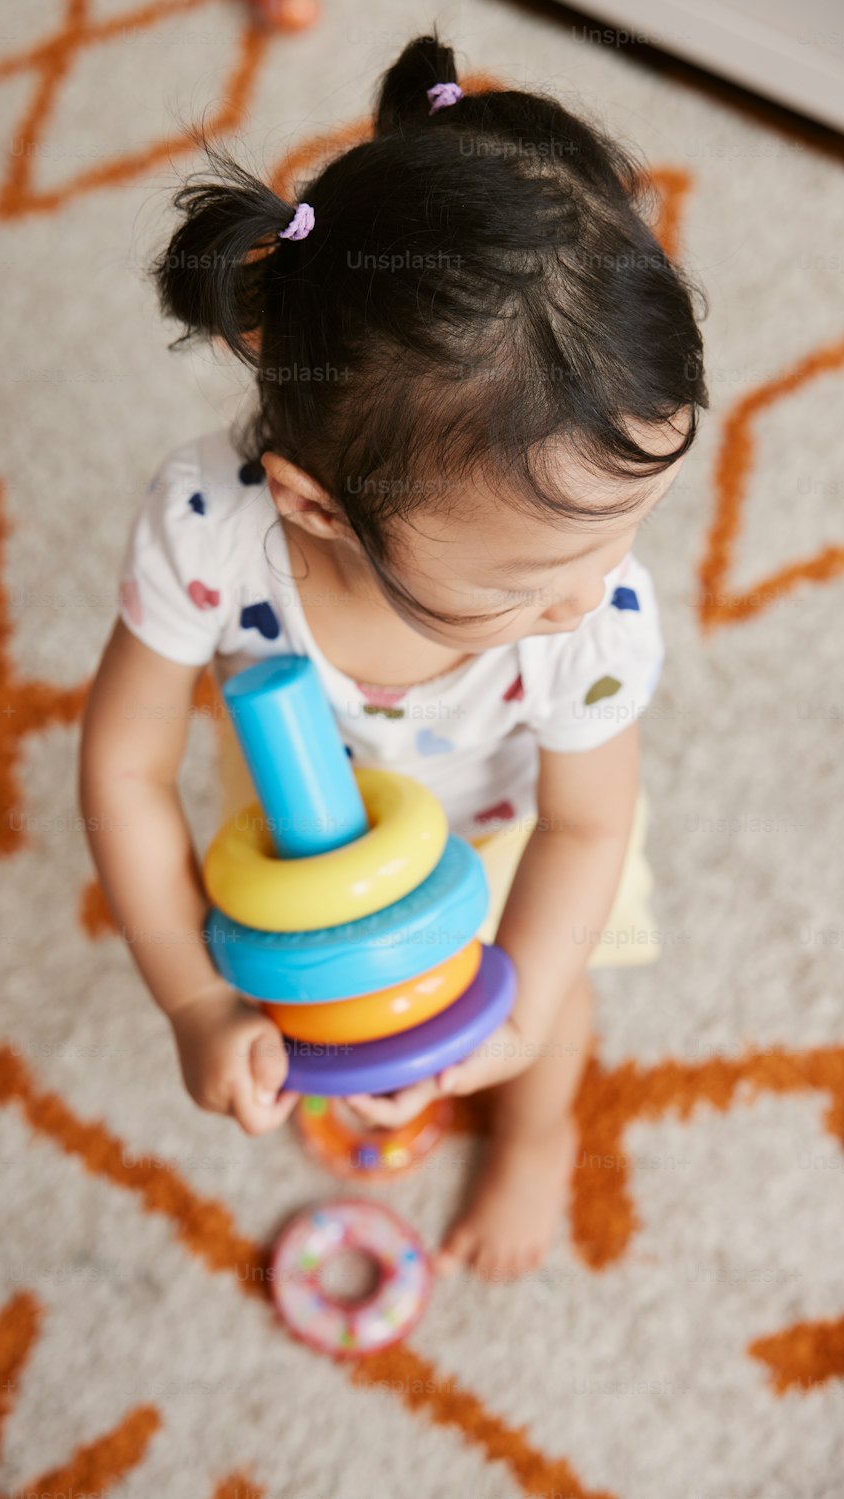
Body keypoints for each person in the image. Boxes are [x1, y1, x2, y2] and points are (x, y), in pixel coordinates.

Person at [79, 29, 708, 1282]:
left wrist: (518, 1008)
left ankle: (536, 1134)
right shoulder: (216, 531)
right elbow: (124, 765)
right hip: (302, 824)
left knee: (551, 1004)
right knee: (294, 980)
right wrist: (196, 1000)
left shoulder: (585, 625)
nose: (594, 592)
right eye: (524, 577)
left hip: (509, 828)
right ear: (316, 510)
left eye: (627, 531)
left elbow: (584, 826)